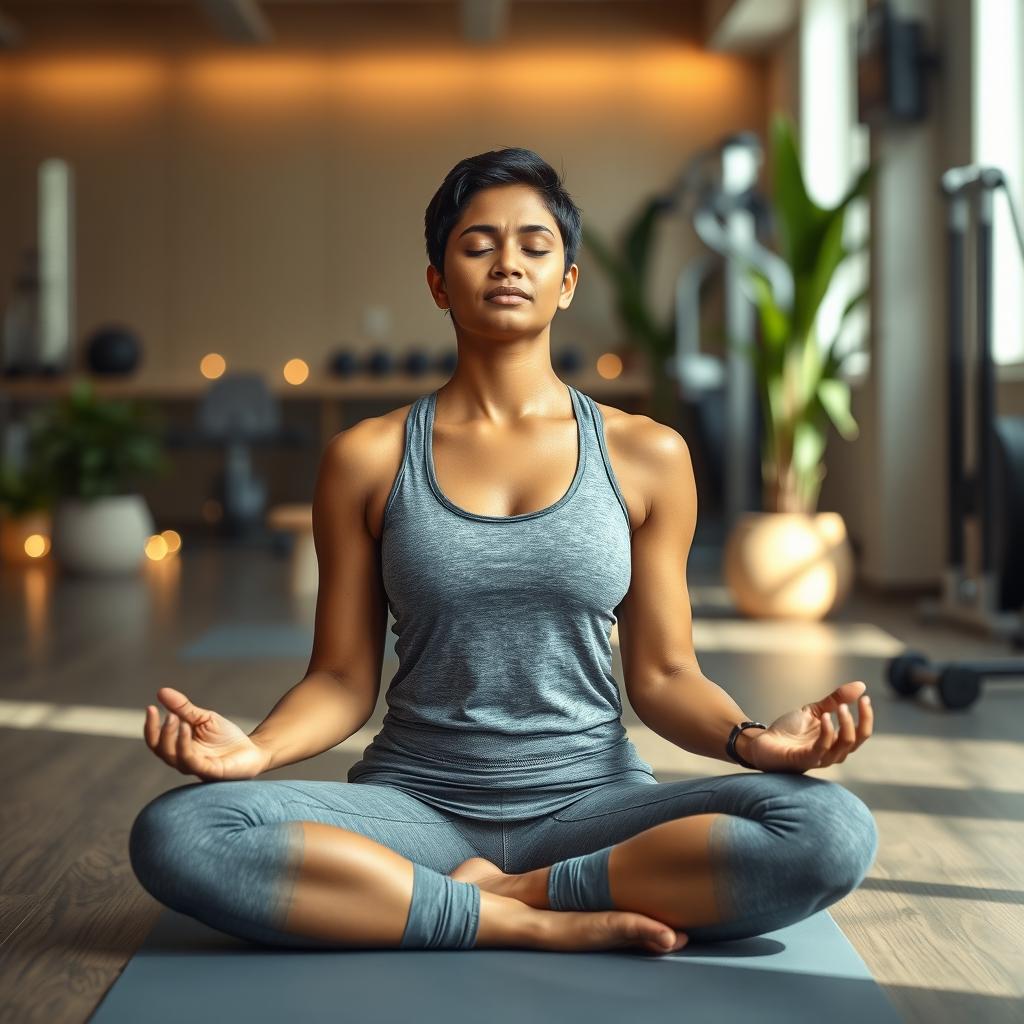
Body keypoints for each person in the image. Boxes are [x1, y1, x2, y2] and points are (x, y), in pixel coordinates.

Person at [129, 147, 878, 956]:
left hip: (595, 806)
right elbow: (342, 679)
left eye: (535, 244)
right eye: (478, 244)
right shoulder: (367, 458)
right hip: (415, 809)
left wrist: (750, 739)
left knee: (829, 828)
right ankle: (518, 922)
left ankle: (514, 893)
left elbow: (663, 676)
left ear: (568, 281)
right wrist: (256, 750)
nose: (507, 263)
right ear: (439, 282)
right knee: (181, 832)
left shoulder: (647, 455)